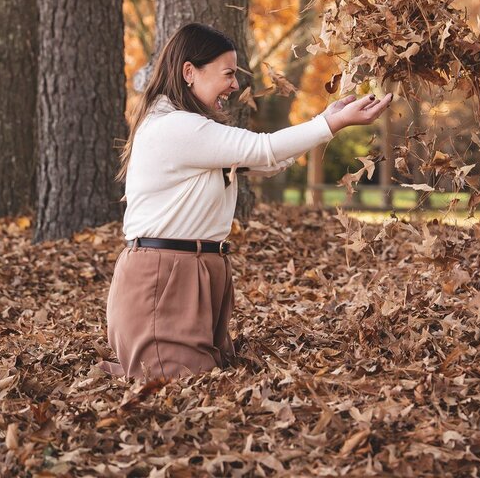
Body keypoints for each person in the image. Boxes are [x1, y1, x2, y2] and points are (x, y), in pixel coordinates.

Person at [99, 22, 393, 380]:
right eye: (228, 74)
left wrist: (329, 121)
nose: (236, 85)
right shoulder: (174, 127)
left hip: (194, 272)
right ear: (189, 72)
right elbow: (264, 149)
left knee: (204, 385)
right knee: (180, 390)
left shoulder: (190, 128)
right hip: (166, 278)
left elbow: (268, 162)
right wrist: (328, 124)